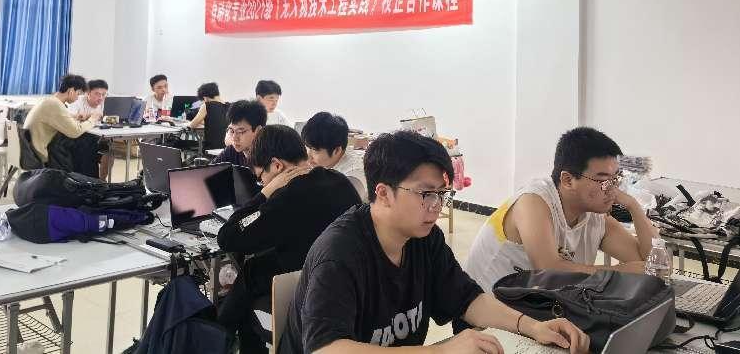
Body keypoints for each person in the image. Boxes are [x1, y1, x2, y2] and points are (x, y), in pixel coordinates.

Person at [280, 130, 589, 353]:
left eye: (441, 194)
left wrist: (533, 327)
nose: (436, 207)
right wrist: (439, 351)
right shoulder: (340, 252)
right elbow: (327, 348)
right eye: (426, 194)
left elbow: (467, 299)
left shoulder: (423, 238)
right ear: (383, 193)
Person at [463, 126, 657, 297]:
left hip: (534, 307)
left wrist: (634, 206)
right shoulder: (534, 201)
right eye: (603, 180)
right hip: (486, 312)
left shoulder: (595, 216)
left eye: (615, 179)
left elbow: (653, 263)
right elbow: (549, 271)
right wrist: (618, 272)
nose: (612, 189)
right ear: (568, 180)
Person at [217, 124, 361, 353]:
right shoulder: (340, 180)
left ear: (276, 165)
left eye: (261, 177)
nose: (263, 183)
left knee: (252, 271)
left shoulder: (283, 199)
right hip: (349, 285)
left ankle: (216, 336)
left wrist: (265, 193)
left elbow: (227, 237)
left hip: (301, 288)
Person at [23, 74, 103, 177]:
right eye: (78, 94)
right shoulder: (54, 104)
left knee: (84, 143)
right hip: (38, 152)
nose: (77, 98)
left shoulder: (50, 100)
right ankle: (86, 180)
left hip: (30, 146)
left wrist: (75, 117)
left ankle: (82, 179)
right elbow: (75, 131)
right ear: (71, 91)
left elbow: (58, 118)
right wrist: (93, 119)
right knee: (88, 142)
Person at [301, 111, 367, 201]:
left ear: (337, 150)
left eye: (315, 150)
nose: (309, 157)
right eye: (308, 148)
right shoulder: (324, 163)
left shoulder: (355, 174)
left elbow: (344, 204)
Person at [213, 100, 266, 167]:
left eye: (240, 132)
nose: (234, 138)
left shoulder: (270, 157)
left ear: (258, 130)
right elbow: (208, 171)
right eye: (232, 131)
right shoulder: (231, 151)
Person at [187, 82, 230, 150]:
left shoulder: (207, 105)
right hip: (227, 148)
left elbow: (192, 125)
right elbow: (217, 122)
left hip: (211, 148)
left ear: (205, 97)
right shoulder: (230, 106)